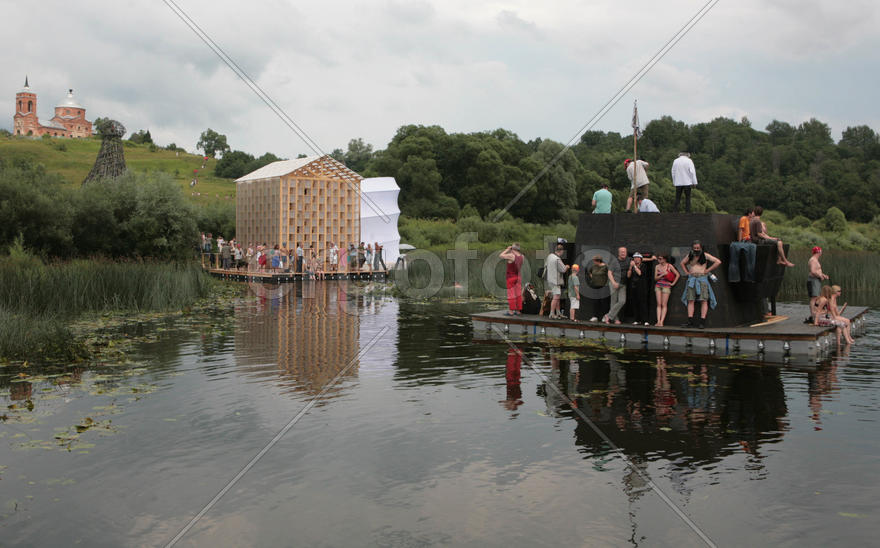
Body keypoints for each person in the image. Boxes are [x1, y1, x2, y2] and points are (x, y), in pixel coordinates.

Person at [680, 240, 721, 328]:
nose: (696, 249)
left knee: (704, 300)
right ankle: (690, 322)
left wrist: (708, 270)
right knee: (690, 300)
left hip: (702, 279)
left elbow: (718, 261)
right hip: (692, 279)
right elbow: (682, 263)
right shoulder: (690, 255)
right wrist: (686, 272)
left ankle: (702, 322)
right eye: (694, 248)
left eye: (698, 248)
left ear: (701, 248)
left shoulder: (705, 255)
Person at [729, 208, 757, 282]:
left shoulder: (750, 220)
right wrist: (740, 241)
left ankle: (749, 277)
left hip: (749, 239)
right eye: (753, 213)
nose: (754, 214)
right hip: (744, 240)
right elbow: (740, 230)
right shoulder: (743, 218)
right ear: (749, 213)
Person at [587, 254, 617, 322]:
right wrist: (593, 278)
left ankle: (605, 316)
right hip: (595, 286)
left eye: (594, 261)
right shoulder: (594, 267)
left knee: (604, 302)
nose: (594, 262)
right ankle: (595, 316)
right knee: (595, 301)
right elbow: (590, 272)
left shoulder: (606, 267)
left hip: (604, 286)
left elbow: (610, 274)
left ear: (598, 261)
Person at [543, 243, 569, 319]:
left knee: (557, 296)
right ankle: (551, 314)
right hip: (555, 280)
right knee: (556, 296)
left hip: (550, 279)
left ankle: (558, 312)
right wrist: (567, 267)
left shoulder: (550, 256)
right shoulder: (557, 259)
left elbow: (546, 265)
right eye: (563, 251)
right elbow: (563, 270)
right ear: (561, 251)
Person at [605, 247, 629, 324]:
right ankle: (615, 319)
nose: (623, 253)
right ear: (618, 253)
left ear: (626, 253)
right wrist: (613, 282)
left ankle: (608, 315)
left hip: (623, 284)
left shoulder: (628, 260)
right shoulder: (614, 261)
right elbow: (609, 273)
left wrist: (651, 258)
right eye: (621, 252)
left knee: (622, 301)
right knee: (613, 302)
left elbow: (638, 259)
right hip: (614, 283)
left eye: (624, 252)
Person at [654, 254, 680, 326]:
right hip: (658, 285)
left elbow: (677, 274)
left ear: (665, 259)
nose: (659, 260)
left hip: (666, 286)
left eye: (660, 258)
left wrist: (673, 283)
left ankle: (662, 321)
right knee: (658, 304)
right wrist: (662, 274)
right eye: (658, 259)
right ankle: (658, 321)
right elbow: (655, 278)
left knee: (664, 304)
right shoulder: (657, 266)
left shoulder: (669, 266)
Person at [500, 243, 524, 315]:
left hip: (511, 277)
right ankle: (518, 310)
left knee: (511, 294)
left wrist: (507, 249)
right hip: (518, 277)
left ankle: (511, 311)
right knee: (518, 294)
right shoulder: (522, 256)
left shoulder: (511, 255)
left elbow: (501, 255)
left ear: (513, 249)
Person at [627, 253, 650, 325]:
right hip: (634, 287)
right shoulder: (632, 266)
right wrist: (630, 267)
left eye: (637, 258)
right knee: (635, 304)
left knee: (643, 304)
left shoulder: (643, 266)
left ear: (640, 259)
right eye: (635, 258)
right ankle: (637, 319)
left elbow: (640, 273)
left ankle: (645, 320)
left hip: (642, 287)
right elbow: (628, 276)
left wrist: (634, 266)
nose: (636, 259)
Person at [807, 246, 829, 316]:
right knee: (814, 297)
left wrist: (823, 275)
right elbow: (813, 271)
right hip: (813, 280)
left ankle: (816, 311)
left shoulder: (815, 260)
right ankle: (813, 313)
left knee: (817, 296)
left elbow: (817, 270)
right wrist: (820, 276)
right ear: (818, 252)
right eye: (821, 251)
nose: (821, 253)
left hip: (816, 280)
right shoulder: (813, 260)